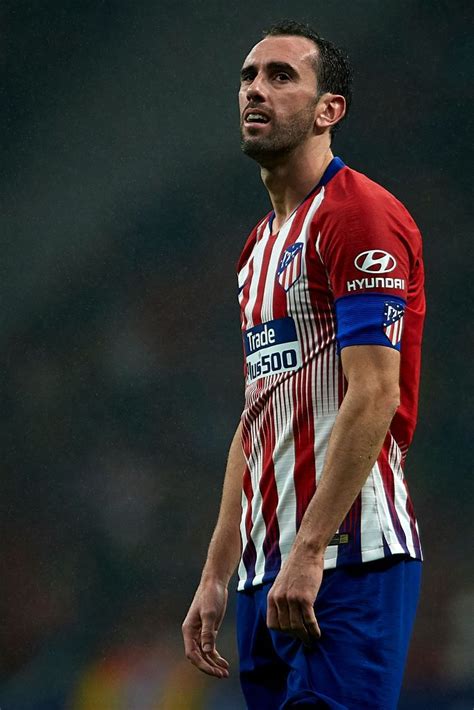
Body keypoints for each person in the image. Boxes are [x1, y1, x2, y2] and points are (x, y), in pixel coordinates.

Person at [182, 20, 425, 710]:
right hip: (268, 570)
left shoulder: (360, 216)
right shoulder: (256, 249)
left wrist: (312, 547)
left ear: (329, 111)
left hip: (347, 557)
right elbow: (257, 412)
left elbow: (374, 394)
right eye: (248, 77)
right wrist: (215, 572)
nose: (256, 90)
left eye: (281, 76)